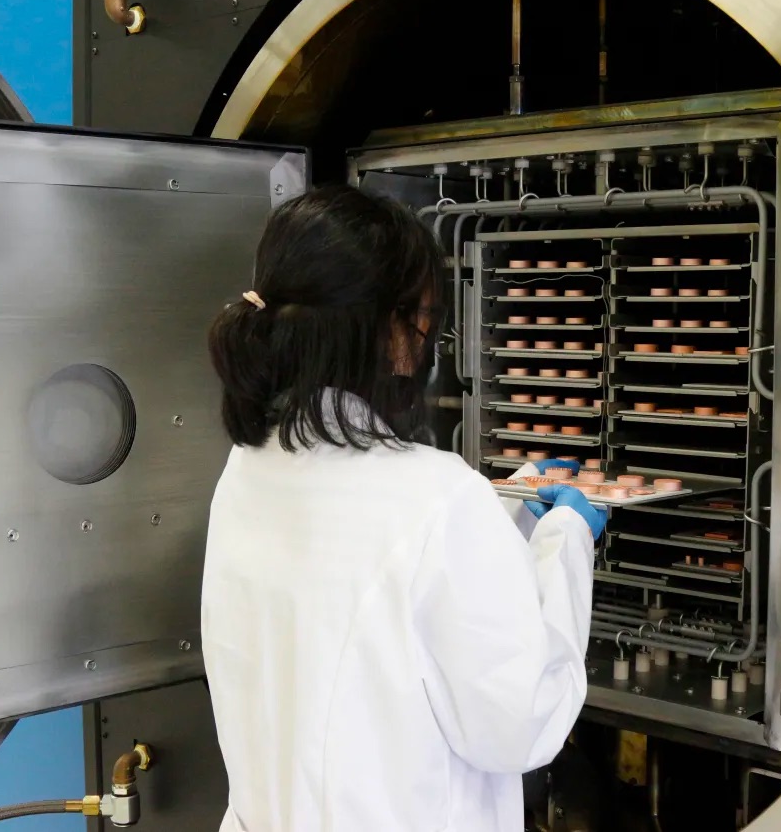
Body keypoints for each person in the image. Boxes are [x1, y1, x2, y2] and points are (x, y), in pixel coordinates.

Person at [201, 185, 606, 832]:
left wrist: (510, 507)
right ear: (391, 330)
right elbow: (520, 723)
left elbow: (381, 582)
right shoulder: (437, 496)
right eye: (423, 317)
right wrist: (567, 541)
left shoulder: (249, 467)